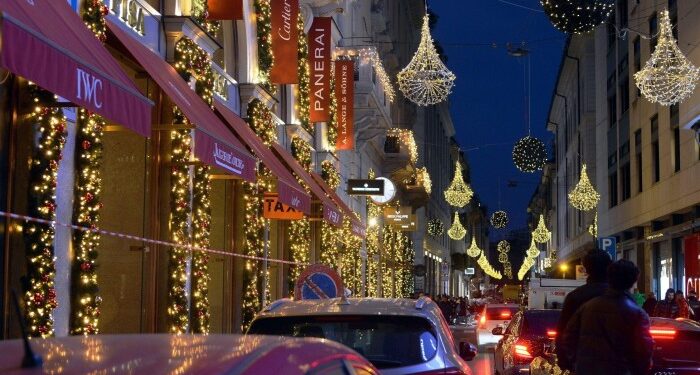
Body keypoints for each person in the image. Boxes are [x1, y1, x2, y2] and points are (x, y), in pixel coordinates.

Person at [561, 260, 654, 375]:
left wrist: (578, 363)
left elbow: (568, 337)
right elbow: (644, 350)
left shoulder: (587, 307)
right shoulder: (637, 313)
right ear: (633, 281)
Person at [555, 249, 612, 370]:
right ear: (609, 266)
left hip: (586, 364)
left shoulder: (576, 297)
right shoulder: (624, 298)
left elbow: (563, 332)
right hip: (618, 367)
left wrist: (565, 361)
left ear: (586, 269)